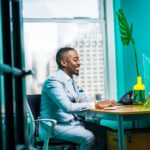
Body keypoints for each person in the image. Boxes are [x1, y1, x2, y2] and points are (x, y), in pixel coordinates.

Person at [39, 47, 116, 150]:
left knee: (106, 133)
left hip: (73, 124)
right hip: (56, 127)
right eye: (75, 60)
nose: (79, 63)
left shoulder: (71, 82)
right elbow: (68, 107)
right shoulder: (53, 81)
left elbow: (84, 100)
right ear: (64, 63)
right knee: (88, 137)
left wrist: (102, 103)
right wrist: (96, 105)